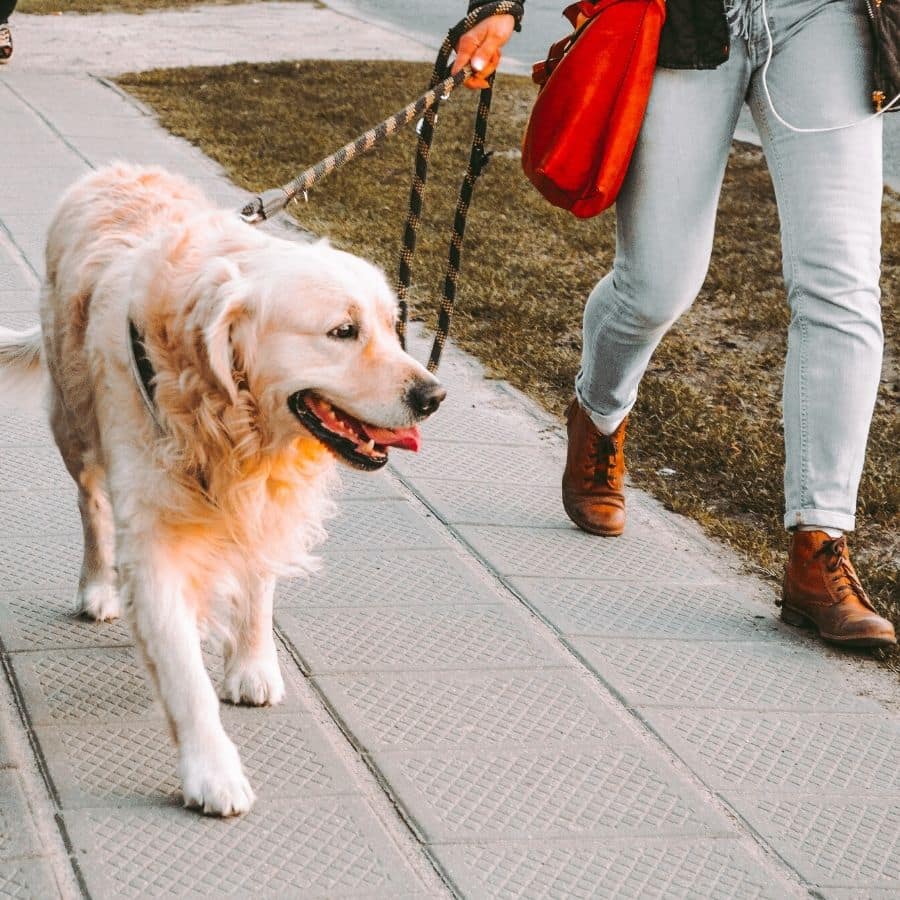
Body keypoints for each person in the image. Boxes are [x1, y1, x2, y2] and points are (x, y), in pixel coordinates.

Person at [453, 0, 897, 649]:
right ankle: (599, 411)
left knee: (843, 283)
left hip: (824, 16)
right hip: (685, 17)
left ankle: (819, 544)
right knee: (656, 283)